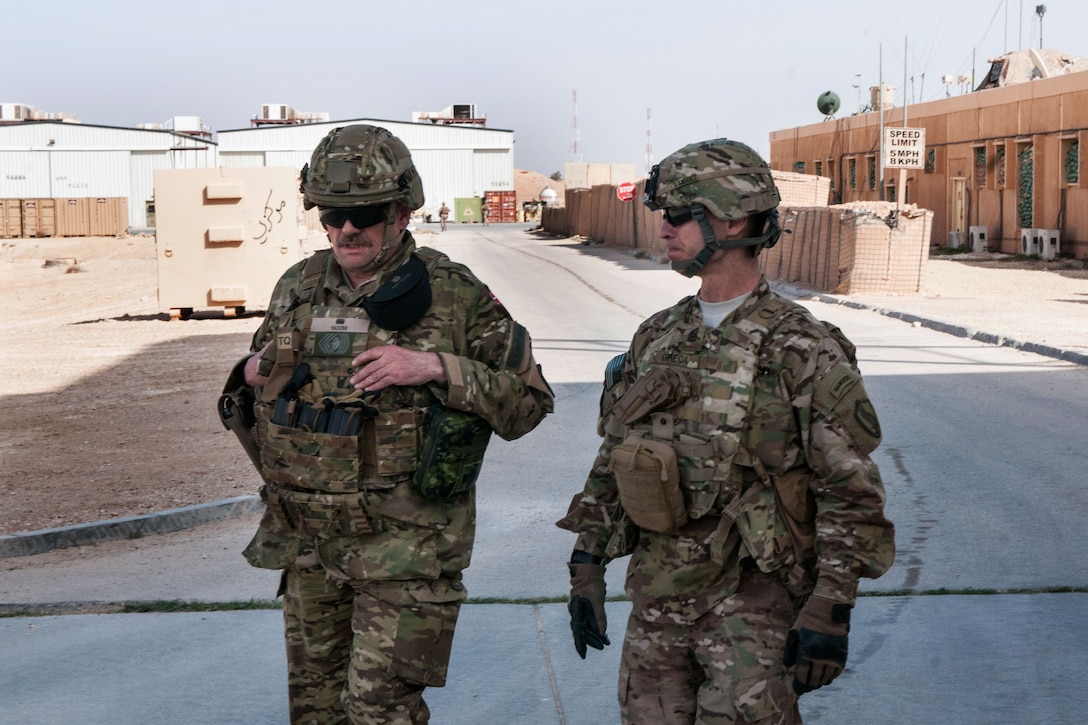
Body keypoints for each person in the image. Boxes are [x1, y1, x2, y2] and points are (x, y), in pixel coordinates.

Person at [556, 138, 895, 724]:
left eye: (680, 215)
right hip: (658, 597)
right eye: (664, 215)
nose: (664, 229)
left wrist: (830, 607)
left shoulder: (801, 346)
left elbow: (849, 489)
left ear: (734, 218)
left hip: (752, 605)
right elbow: (617, 456)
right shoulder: (658, 336)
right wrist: (586, 563)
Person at [229, 124, 555, 724]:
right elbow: (257, 394)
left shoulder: (454, 295)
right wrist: (249, 372)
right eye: (332, 215)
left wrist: (432, 366)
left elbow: (529, 403)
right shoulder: (297, 287)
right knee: (315, 713)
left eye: (366, 213)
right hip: (310, 548)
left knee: (381, 715)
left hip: (405, 557)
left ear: (403, 212)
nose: (346, 230)